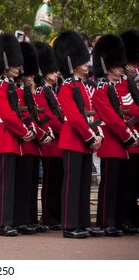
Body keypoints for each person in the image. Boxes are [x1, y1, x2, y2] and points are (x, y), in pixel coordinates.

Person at [53, 30, 104, 238]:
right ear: (72, 63)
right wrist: (91, 137)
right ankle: (69, 225)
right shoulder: (67, 87)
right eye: (82, 61)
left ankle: (82, 222)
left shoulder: (81, 86)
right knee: (72, 185)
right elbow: (74, 117)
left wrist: (98, 132)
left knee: (83, 185)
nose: (86, 64)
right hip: (73, 140)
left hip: (84, 140)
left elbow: (89, 114)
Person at [92, 34, 139, 237]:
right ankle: (105, 221)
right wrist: (127, 134)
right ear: (109, 66)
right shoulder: (102, 88)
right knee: (109, 185)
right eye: (118, 65)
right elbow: (111, 118)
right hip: (112, 142)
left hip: (124, 143)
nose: (122, 68)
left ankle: (117, 220)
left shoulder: (122, 86)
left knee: (120, 186)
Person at [0, 33, 35, 237]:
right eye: (15, 65)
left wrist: (31, 127)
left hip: (18, 141)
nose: (19, 68)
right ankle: (4, 222)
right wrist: (25, 131)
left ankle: (16, 220)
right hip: (7, 139)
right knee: (6, 185)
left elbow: (24, 111)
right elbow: (8, 117)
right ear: (6, 65)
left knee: (18, 184)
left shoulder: (14, 89)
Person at [15, 42, 53, 234]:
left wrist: (46, 133)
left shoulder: (31, 94)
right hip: (25, 142)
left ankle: (30, 218)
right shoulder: (18, 93)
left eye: (32, 75)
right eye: (28, 75)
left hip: (35, 143)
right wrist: (38, 133)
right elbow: (24, 117)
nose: (31, 78)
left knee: (32, 185)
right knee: (23, 184)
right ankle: (22, 219)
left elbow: (38, 116)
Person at [33, 41, 65, 230]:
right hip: (51, 144)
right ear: (45, 72)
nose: (56, 73)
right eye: (53, 71)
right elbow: (47, 117)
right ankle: (48, 217)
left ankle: (56, 216)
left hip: (59, 144)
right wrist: (64, 129)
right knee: (50, 184)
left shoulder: (52, 91)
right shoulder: (40, 92)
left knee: (57, 183)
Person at [117, 29, 139, 234]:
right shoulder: (122, 84)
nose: (133, 68)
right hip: (130, 141)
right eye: (131, 65)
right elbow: (129, 109)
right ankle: (125, 218)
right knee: (127, 186)